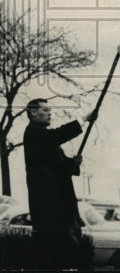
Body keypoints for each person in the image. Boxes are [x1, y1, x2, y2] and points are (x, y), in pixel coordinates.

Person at [23, 98, 96, 271]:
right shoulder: (34, 133)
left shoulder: (45, 139)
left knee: (59, 252)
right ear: (33, 112)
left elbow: (60, 166)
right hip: (48, 205)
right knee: (52, 252)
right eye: (45, 110)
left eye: (50, 110)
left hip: (55, 206)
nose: (50, 113)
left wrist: (73, 163)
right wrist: (84, 119)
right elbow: (58, 135)